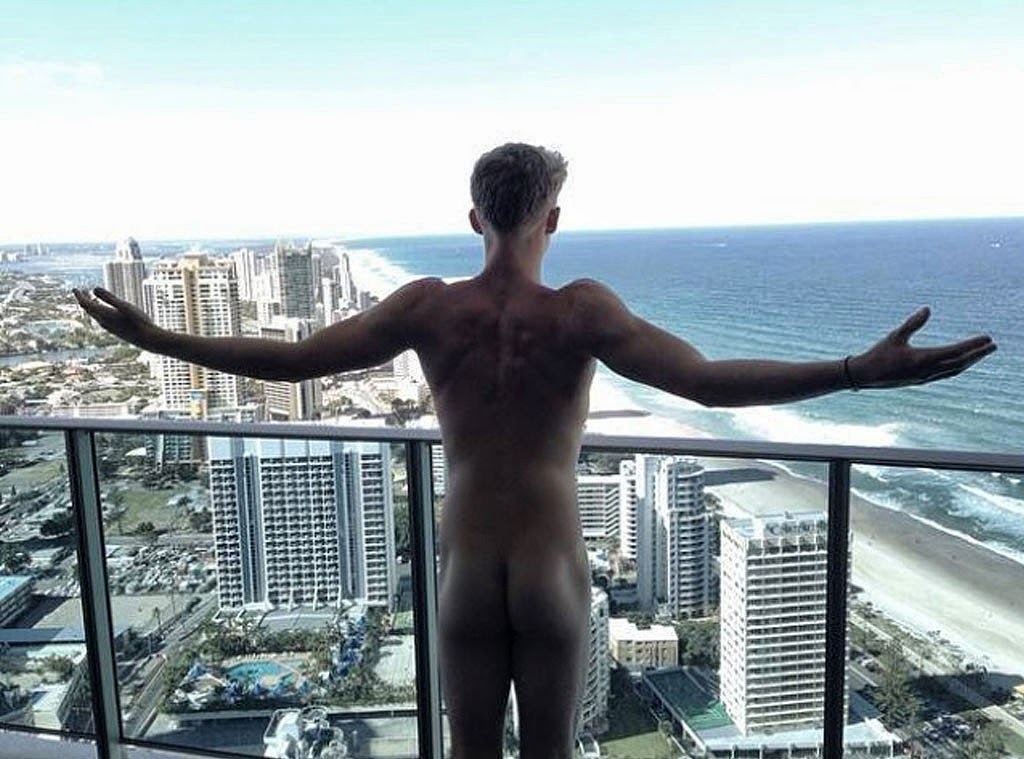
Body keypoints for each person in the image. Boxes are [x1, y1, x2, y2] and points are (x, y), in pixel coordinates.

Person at [75, 142, 996, 759]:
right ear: (552, 219)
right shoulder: (581, 311)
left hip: (468, 566)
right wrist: (854, 371)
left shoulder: (429, 307)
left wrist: (159, 338)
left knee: (471, 753)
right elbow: (709, 382)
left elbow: (292, 360)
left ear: (474, 217)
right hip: (553, 565)